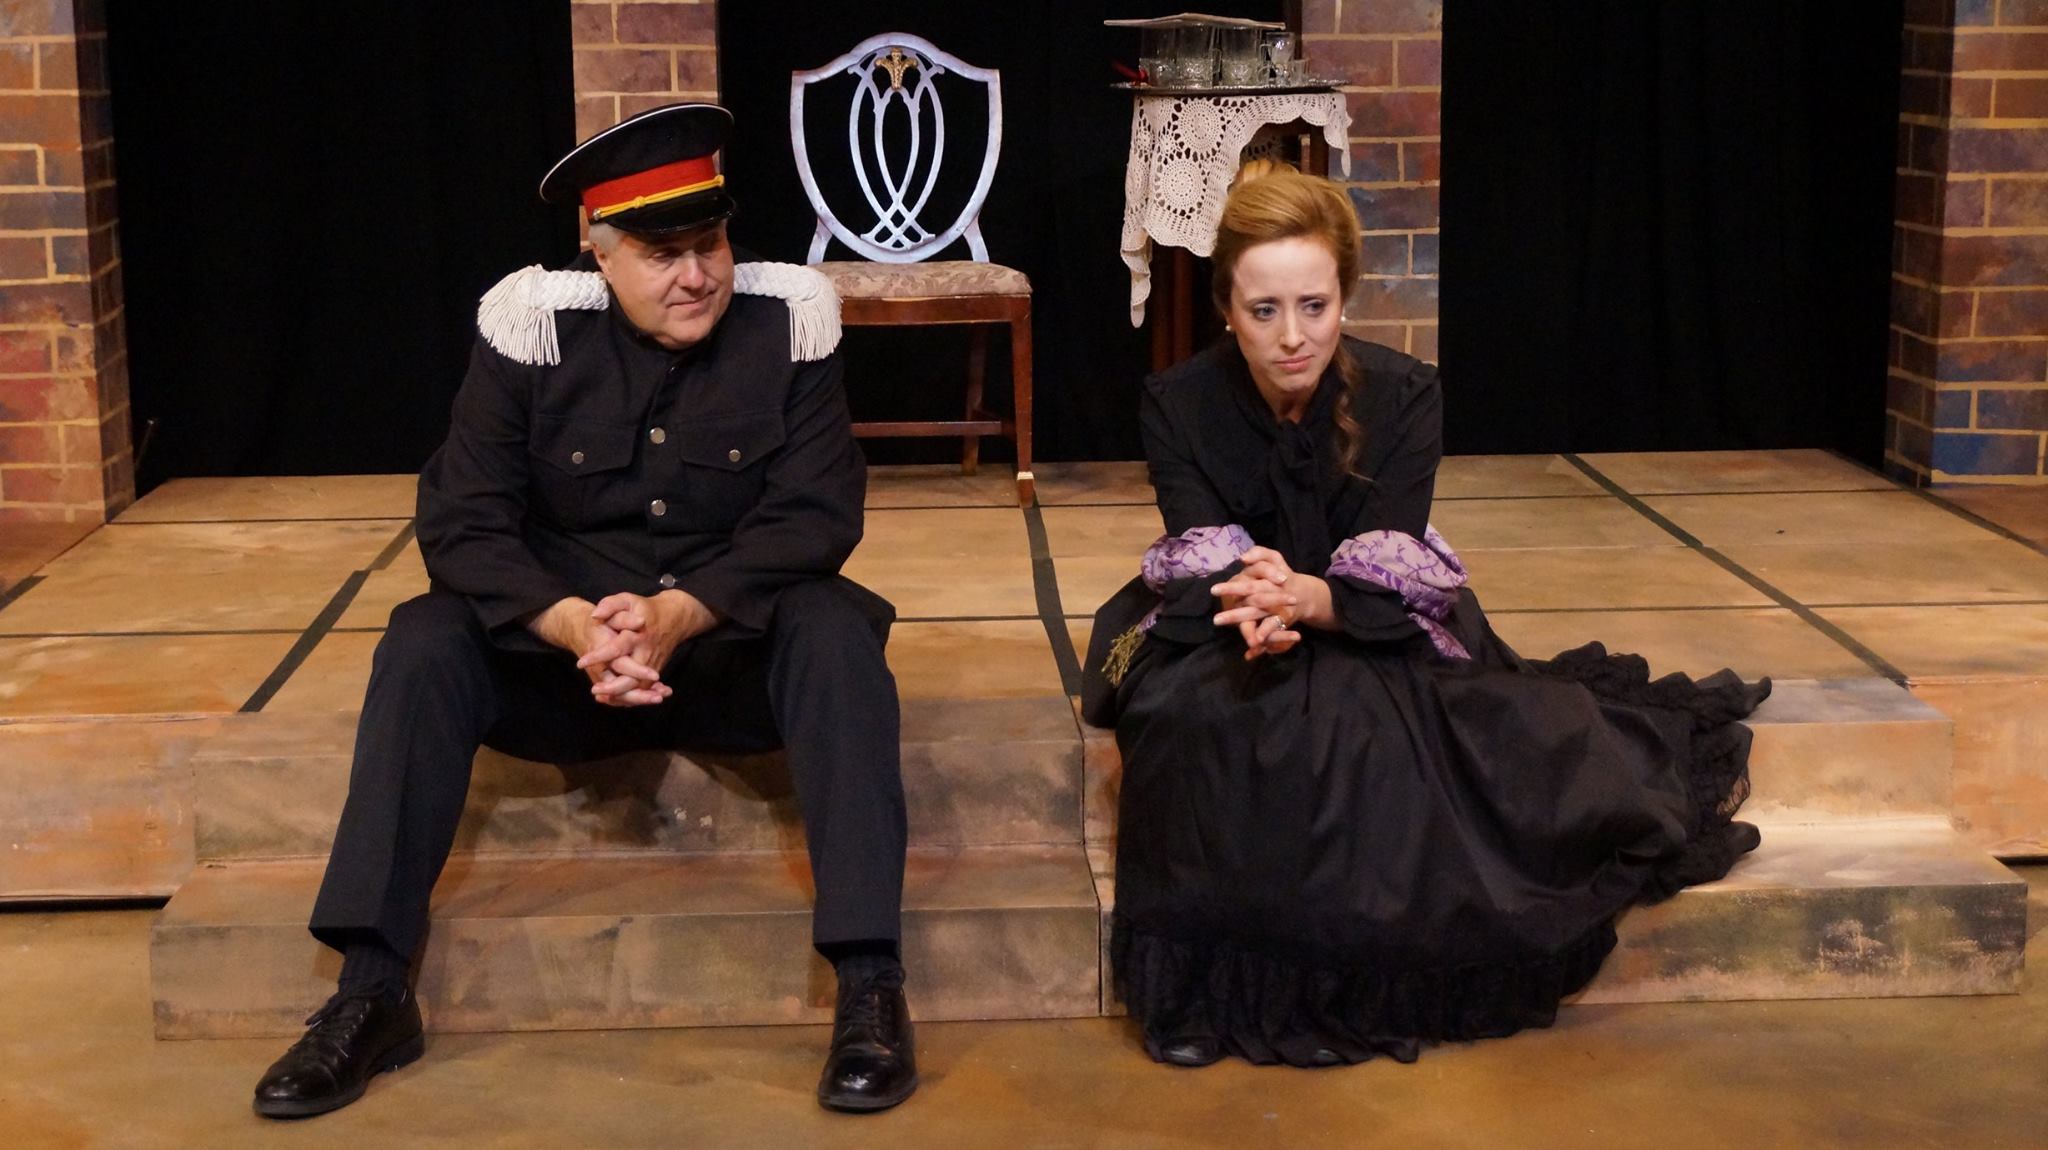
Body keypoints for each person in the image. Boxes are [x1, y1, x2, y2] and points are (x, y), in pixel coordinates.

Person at [252, 103, 917, 1117]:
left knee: (834, 629)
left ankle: (870, 985)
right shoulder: (530, 333)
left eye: (710, 245)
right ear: (598, 253)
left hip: (728, 662)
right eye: (661, 255)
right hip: (566, 674)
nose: (696, 276)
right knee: (423, 638)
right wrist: (572, 625)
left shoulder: (787, 327)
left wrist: (680, 613)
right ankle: (371, 993)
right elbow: (462, 522)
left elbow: (817, 513)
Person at [1083, 161, 1768, 1069]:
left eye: (1315, 306)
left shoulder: (1405, 394)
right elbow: (1201, 536)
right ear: (1227, 309)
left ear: (1344, 297)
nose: (1292, 336)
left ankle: (1352, 975)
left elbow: (1388, 552)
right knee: (1197, 723)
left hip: (1369, 609)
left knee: (1374, 736)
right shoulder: (1177, 402)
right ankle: (1213, 989)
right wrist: (1256, 606)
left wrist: (1307, 600)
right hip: (1222, 610)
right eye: (1264, 310)